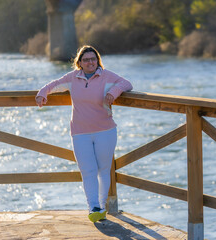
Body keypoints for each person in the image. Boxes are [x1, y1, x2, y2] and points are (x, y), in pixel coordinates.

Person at [35, 45, 133, 222]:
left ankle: (101, 207)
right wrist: (42, 93)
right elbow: (54, 85)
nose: (90, 62)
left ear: (98, 61)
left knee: (103, 169)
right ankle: (93, 207)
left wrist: (113, 91)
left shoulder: (107, 75)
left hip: (106, 130)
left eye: (93, 59)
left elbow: (126, 83)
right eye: (86, 60)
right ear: (79, 63)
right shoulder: (73, 78)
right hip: (80, 133)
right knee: (87, 171)